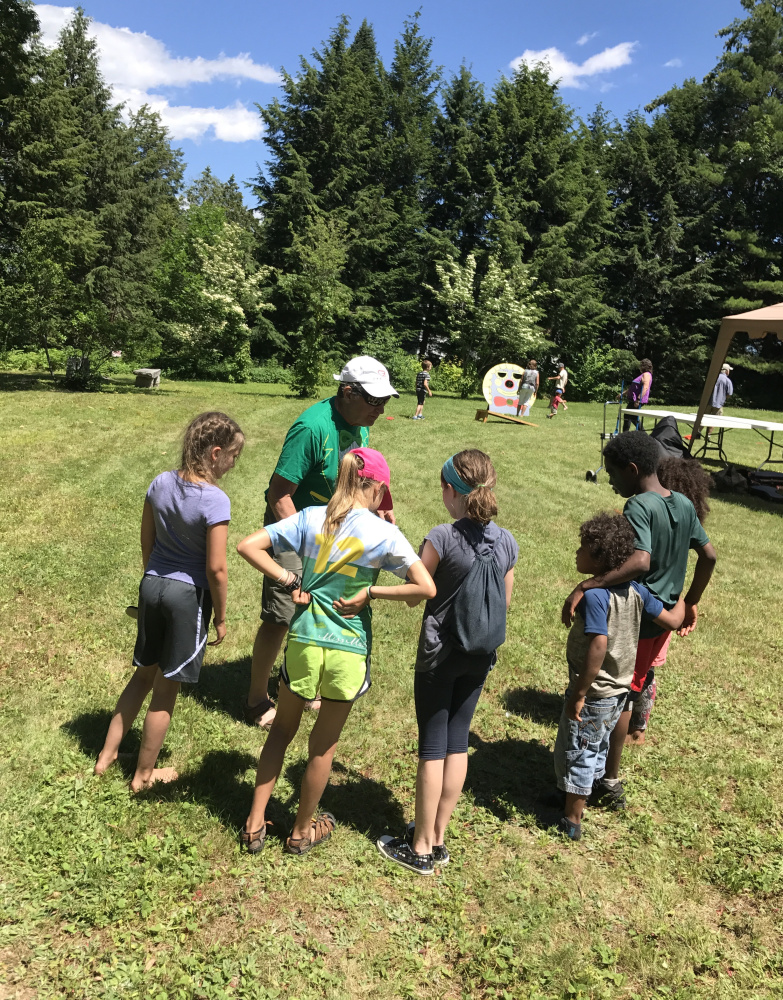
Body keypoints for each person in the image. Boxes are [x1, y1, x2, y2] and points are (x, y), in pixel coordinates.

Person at [236, 448, 435, 855]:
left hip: (305, 641)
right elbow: (425, 588)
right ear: (377, 487)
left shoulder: (311, 516)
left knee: (280, 734)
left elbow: (247, 546)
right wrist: (373, 591)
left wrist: (289, 576)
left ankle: (254, 826)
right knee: (322, 747)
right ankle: (300, 832)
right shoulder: (383, 533)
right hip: (348, 649)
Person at [376, 450, 518, 875]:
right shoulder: (508, 541)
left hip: (441, 656)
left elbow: (420, 586)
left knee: (432, 746)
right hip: (480, 655)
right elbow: (504, 602)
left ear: (450, 491)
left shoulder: (441, 537)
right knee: (459, 742)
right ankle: (438, 836)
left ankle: (418, 848)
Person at [561, 432, 716, 809]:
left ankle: (607, 782)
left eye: (613, 473)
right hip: (664, 616)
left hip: (636, 620)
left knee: (618, 697)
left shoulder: (638, 506)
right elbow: (709, 557)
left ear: (632, 470)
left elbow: (640, 561)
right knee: (632, 690)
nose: (611, 481)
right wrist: (690, 602)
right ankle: (604, 776)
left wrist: (588, 583)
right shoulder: (682, 502)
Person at [245, 356, 398, 729]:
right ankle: (255, 698)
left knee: (322, 607)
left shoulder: (360, 425)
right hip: (295, 529)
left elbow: (352, 482)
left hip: (332, 532)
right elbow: (279, 494)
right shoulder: (311, 427)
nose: (380, 409)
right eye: (374, 401)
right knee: (282, 614)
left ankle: (306, 682)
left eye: (385, 402)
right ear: (347, 392)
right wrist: (302, 547)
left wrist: (374, 511)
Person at [95, 412, 244, 791]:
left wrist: (153, 578)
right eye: (233, 455)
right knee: (166, 688)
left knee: (143, 674)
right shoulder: (215, 500)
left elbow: (147, 540)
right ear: (214, 453)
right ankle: (143, 776)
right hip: (187, 598)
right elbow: (216, 569)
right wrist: (222, 617)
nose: (233, 464)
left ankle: (106, 755)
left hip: (152, 584)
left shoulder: (159, 482)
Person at [553, 512, 684, 840]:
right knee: (595, 747)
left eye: (582, 548)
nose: (576, 552)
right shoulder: (637, 591)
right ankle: (583, 794)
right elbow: (671, 622)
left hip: (596, 691)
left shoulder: (597, 597)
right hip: (621, 690)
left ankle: (571, 818)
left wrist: (581, 691)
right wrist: (686, 600)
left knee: (579, 749)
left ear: (599, 557)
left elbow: (598, 645)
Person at [621, 359, 653, 432]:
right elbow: (633, 388)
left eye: (641, 365)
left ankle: (643, 434)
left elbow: (645, 387)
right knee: (628, 416)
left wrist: (638, 399)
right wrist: (622, 394)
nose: (640, 367)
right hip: (633, 399)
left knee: (632, 417)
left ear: (644, 366)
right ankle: (625, 435)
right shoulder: (643, 375)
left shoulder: (646, 374)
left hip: (637, 400)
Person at [706, 363, 733, 440]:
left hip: (708, 402)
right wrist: (723, 398)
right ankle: (708, 436)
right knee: (713, 420)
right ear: (726, 371)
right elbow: (730, 393)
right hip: (719, 404)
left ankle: (698, 432)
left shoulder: (713, 378)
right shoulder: (727, 380)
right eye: (729, 370)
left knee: (703, 418)